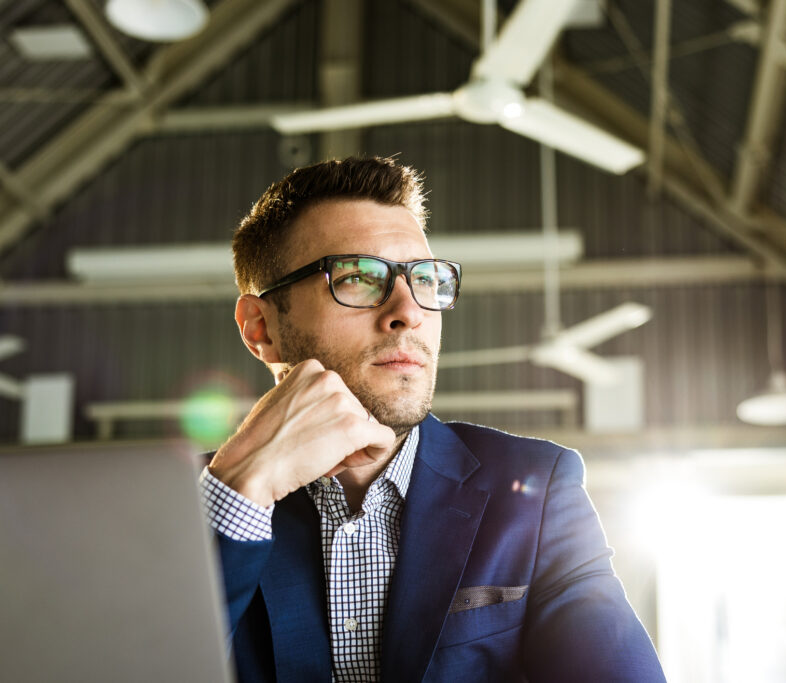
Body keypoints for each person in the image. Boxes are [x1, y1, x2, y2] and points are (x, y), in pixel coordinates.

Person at [200, 156, 665, 682]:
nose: (409, 310)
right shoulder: (187, 507)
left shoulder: (536, 492)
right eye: (357, 277)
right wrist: (239, 488)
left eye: (425, 279)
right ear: (260, 327)